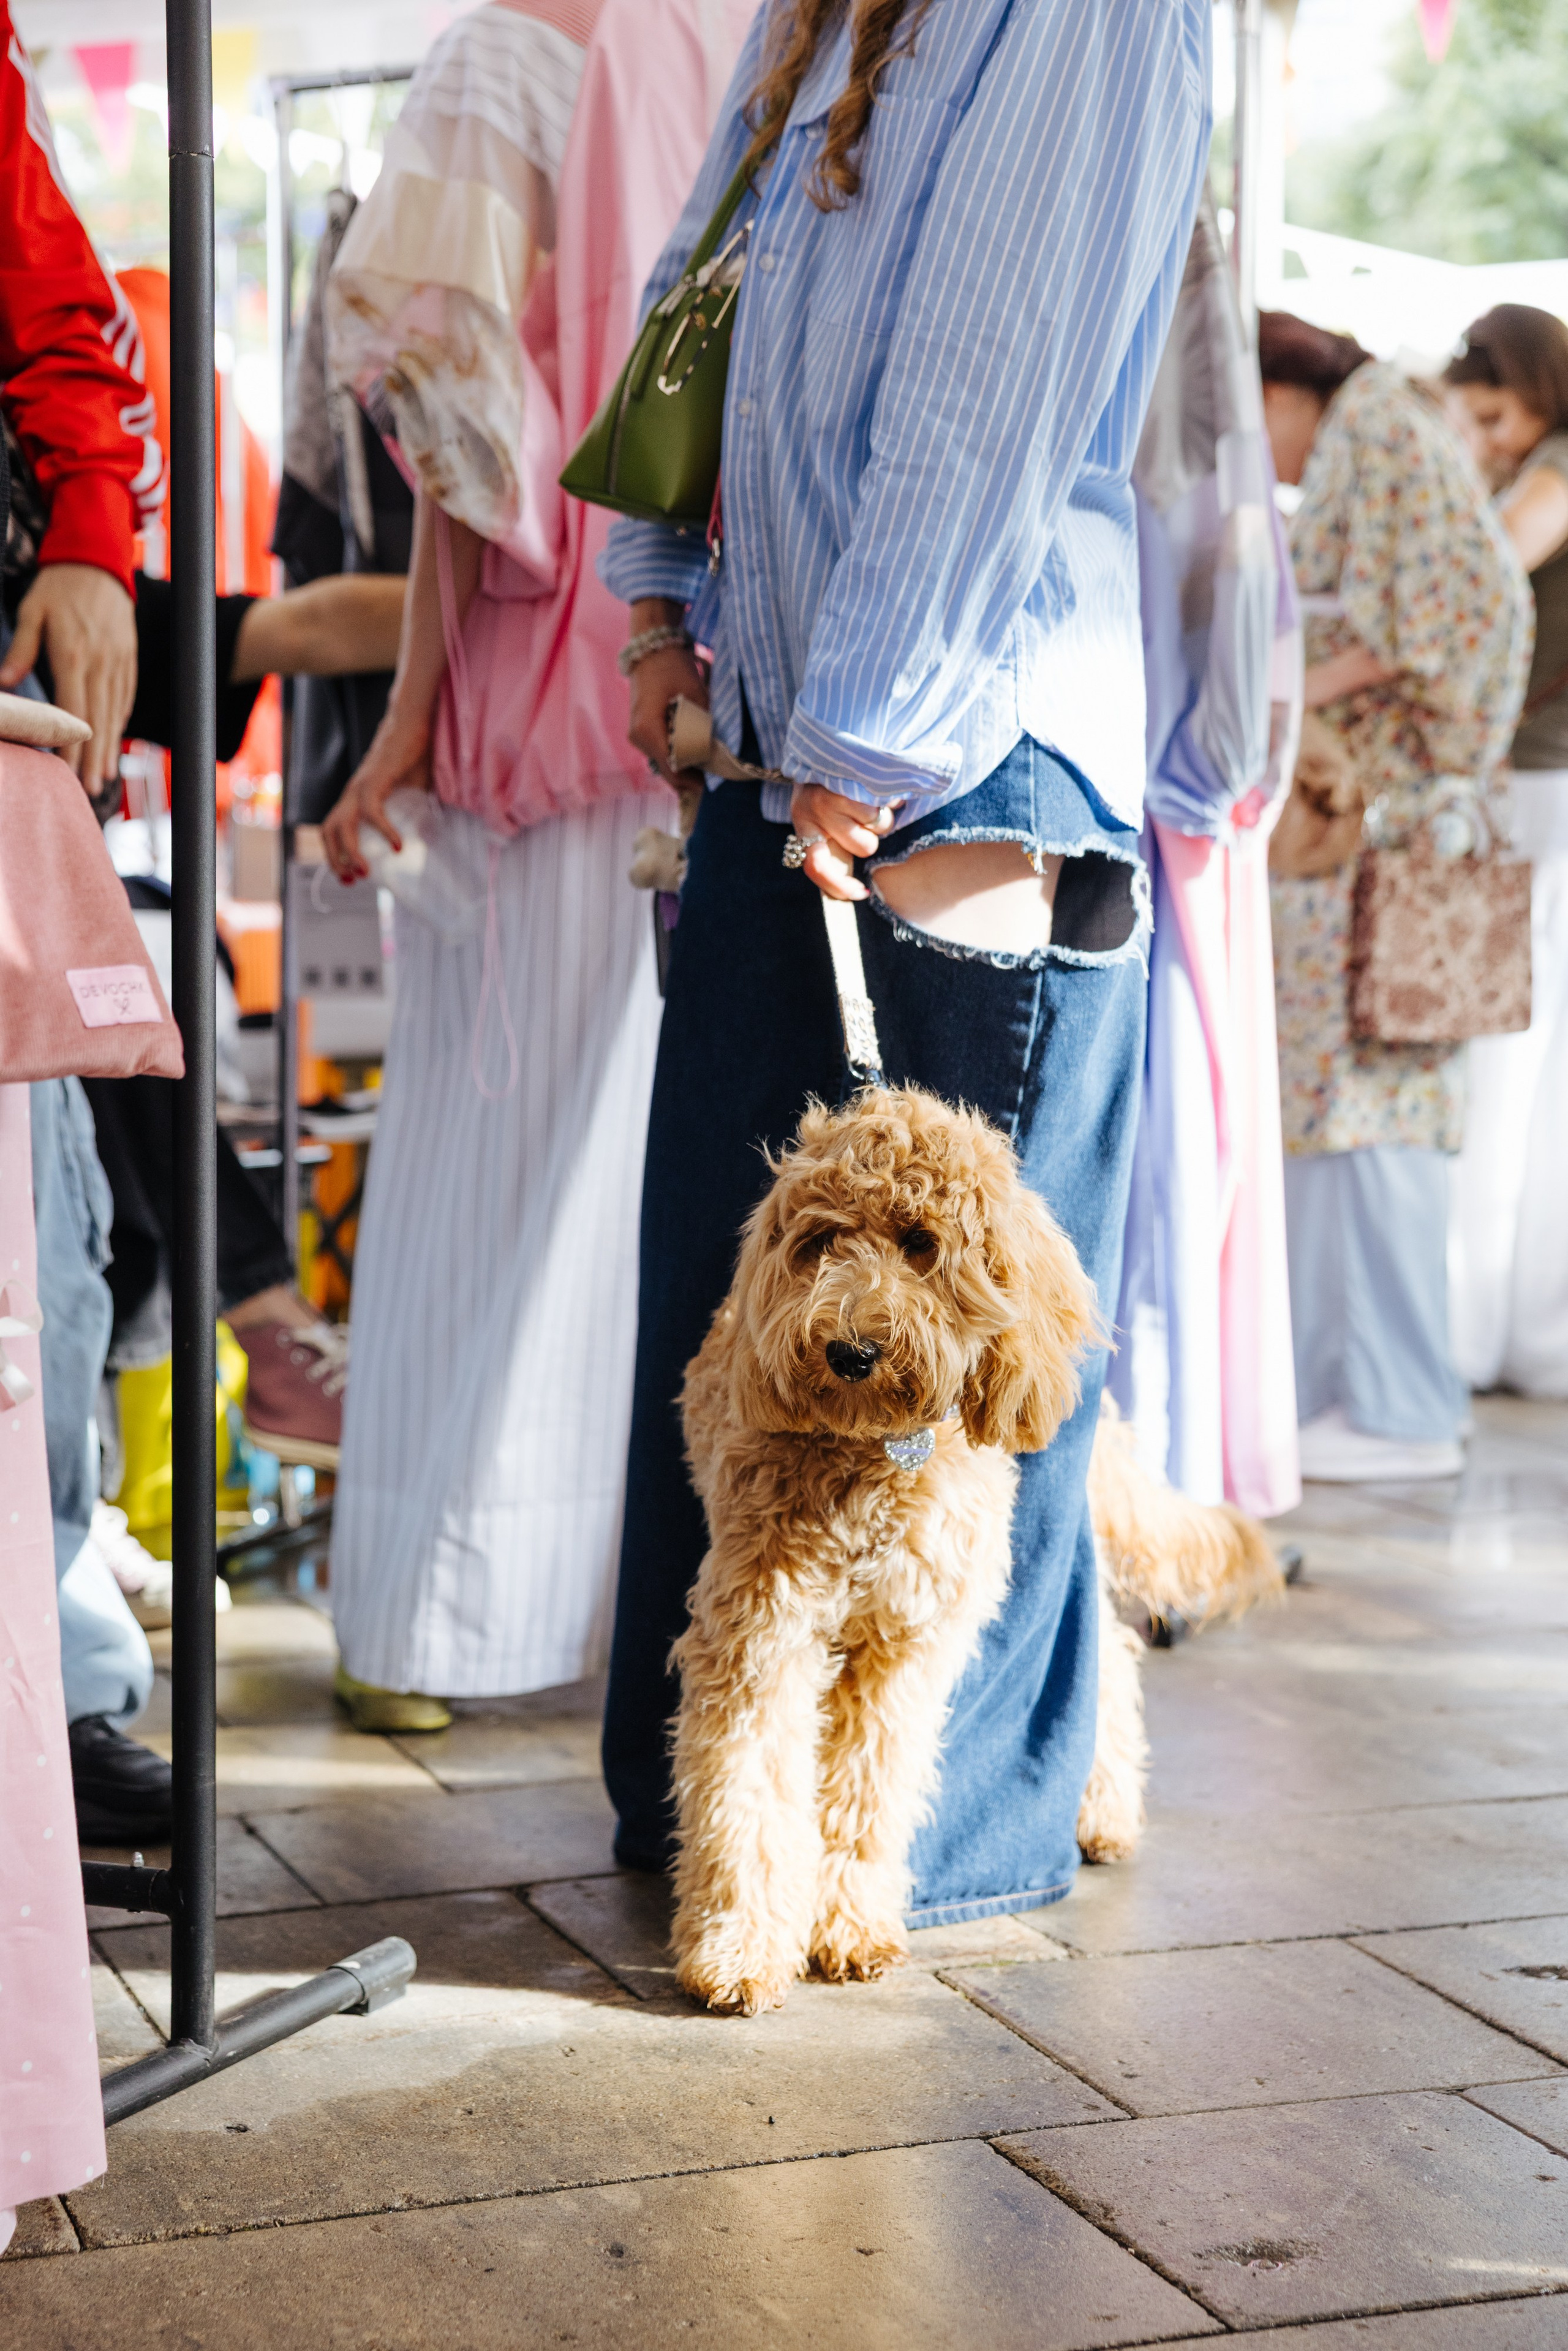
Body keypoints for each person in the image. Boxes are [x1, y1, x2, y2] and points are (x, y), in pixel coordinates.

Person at [600, 0, 1212, 1920]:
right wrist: (661, 602)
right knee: (731, 1301)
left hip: (963, 731)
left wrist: (867, 722)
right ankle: (708, 1811)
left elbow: (989, 373)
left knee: (979, 1346)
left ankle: (917, 1851)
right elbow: (717, 272)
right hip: (796, 702)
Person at [318, 0, 755, 1733]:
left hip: (556, 663)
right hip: (720, 658)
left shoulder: (509, 48)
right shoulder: (777, 40)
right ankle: (569, 1608)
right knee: (638, 1167)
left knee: (484, 1153)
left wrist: (414, 710)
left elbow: (460, 446)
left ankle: (432, 1607)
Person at [1261, 311, 1531, 1482]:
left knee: (1372, 1112)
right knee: (1354, 1109)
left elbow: (1422, 619)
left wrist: (1272, 696)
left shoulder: (1377, 426)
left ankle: (1393, 1401)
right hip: (1397, 823)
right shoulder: (1395, 426)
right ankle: (1363, 1390)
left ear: (1285, 385)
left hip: (1390, 831)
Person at [1110, 194, 1300, 1518]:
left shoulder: (1192, 515)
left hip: (1151, 844)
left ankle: (1151, 1481)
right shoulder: (1221, 518)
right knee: (1166, 1176)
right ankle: (1152, 1476)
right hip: (1171, 844)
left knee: (1157, 1174)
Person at [1444, 305, 1568, 1400]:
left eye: (1492, 413)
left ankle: (1482, 1333)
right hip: (1538, 786)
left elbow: (1479, 574)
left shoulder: (1559, 468)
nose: (1484, 437)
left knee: (1504, 1062)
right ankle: (1513, 1333)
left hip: (1540, 788)